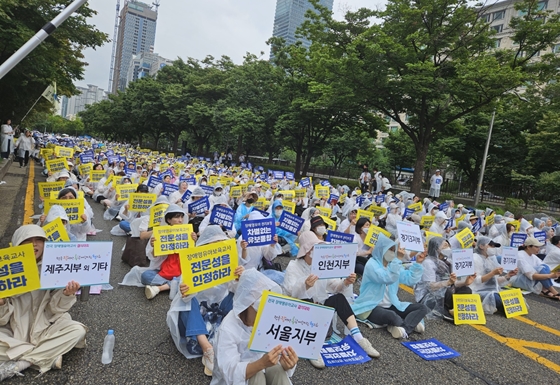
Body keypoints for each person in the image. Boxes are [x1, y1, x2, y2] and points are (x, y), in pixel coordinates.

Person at [0, 225, 86, 380]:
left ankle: (20, 364)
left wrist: (66, 294)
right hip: (11, 331)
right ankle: (47, 355)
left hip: (44, 326)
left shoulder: (55, 267)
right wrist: (1, 304)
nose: (34, 244)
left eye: (39, 240)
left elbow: (55, 310)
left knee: (77, 330)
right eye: (27, 240)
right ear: (17, 244)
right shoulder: (4, 269)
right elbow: (3, 319)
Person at [283, 231, 380, 369]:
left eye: (317, 247)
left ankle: (360, 339)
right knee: (307, 300)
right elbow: (290, 293)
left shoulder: (322, 264)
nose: (315, 251)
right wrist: (305, 285)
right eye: (312, 248)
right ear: (305, 251)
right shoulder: (293, 266)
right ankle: (313, 348)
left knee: (339, 298)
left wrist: (345, 282)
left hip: (320, 310)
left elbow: (334, 286)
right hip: (301, 313)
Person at [166, 225, 244, 376]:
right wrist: (185, 292)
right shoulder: (193, 264)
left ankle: (234, 338)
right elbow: (186, 298)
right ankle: (207, 348)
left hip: (218, 311)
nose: (216, 249)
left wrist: (239, 278)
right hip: (196, 316)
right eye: (212, 245)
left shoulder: (229, 262)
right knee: (187, 302)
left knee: (236, 297)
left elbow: (237, 292)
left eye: (220, 244)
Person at [211, 269, 298, 385]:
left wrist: (287, 363)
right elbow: (230, 374)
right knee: (257, 377)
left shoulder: (273, 319)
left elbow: (278, 353)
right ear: (248, 299)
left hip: (264, 368)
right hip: (237, 380)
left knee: (278, 370)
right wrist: (261, 363)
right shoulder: (228, 328)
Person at [353, 234, 429, 338]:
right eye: (390, 250)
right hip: (372, 306)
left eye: (394, 250)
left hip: (391, 305)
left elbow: (410, 279)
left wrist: (418, 263)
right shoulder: (372, 264)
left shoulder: (392, 264)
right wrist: (398, 260)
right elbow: (386, 278)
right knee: (392, 316)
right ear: (381, 249)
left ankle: (403, 328)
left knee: (422, 308)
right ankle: (406, 324)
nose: (393, 253)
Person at [142, 205, 197, 299]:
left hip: (182, 270)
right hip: (165, 269)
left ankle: (160, 288)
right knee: (145, 276)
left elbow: (193, 257)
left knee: (191, 277)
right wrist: (154, 246)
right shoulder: (160, 233)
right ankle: (173, 286)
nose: (180, 220)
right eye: (177, 217)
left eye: (181, 217)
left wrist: (194, 241)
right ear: (168, 220)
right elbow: (152, 257)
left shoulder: (188, 233)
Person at [414, 237, 476, 320]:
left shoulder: (447, 262)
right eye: (445, 246)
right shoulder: (428, 263)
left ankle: (456, 309)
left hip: (444, 291)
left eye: (448, 246)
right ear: (436, 248)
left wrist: (465, 283)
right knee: (447, 290)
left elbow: (452, 282)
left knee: (466, 289)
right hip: (428, 296)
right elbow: (430, 286)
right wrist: (448, 283)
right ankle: (444, 310)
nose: (448, 248)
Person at [470, 236, 518, 314]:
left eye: (494, 246)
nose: (493, 248)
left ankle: (491, 305)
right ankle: (487, 304)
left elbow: (494, 281)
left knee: (513, 296)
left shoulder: (489, 260)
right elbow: (476, 280)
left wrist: (508, 276)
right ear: (481, 246)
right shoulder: (475, 258)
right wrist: (492, 273)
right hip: (477, 290)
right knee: (498, 299)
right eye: (490, 245)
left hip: (491, 290)